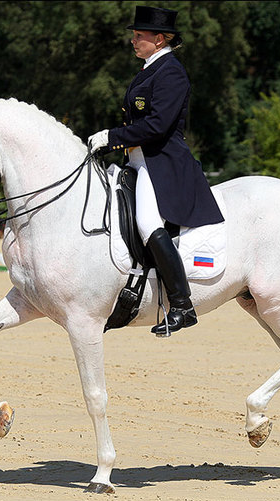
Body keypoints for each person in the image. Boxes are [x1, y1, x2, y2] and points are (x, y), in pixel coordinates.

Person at [87, 5, 224, 336]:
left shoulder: (171, 72)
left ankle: (182, 304)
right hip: (137, 160)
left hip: (161, 163)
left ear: (160, 39)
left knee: (147, 222)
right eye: (133, 36)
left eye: (139, 36)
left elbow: (157, 126)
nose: (133, 41)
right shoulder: (149, 69)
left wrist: (111, 138)